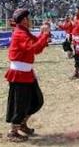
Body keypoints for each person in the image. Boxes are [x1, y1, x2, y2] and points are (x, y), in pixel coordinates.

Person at [5, 8, 50, 142]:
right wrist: (45, 34)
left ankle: (22, 124)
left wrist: (44, 33)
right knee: (20, 104)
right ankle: (13, 132)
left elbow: (38, 45)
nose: (30, 21)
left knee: (37, 100)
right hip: (19, 74)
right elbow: (35, 48)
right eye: (28, 18)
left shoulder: (24, 32)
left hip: (26, 72)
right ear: (24, 20)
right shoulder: (20, 34)